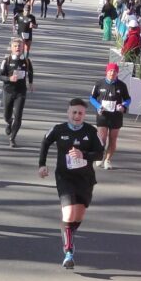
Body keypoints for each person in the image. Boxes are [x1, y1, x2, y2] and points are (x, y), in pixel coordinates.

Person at [38, 98, 104, 269]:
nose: (77, 116)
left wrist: (84, 155)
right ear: (68, 112)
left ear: (84, 115)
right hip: (64, 178)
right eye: (74, 112)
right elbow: (45, 142)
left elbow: (100, 154)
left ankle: (69, 234)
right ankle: (68, 251)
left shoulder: (91, 131)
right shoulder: (59, 129)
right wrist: (42, 165)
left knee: (78, 216)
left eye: (80, 113)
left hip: (85, 179)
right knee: (68, 213)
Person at [89, 62, 130, 170]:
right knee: (101, 138)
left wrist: (123, 106)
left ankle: (108, 160)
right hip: (103, 115)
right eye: (110, 71)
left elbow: (128, 99)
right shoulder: (99, 83)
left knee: (113, 139)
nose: (112, 73)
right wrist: (98, 106)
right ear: (106, 72)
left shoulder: (122, 85)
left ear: (117, 73)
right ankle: (99, 156)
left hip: (116, 116)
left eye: (115, 71)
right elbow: (92, 98)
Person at [0, 37, 33, 148]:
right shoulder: (6, 61)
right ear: (11, 48)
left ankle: (12, 138)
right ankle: (9, 122)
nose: (18, 48)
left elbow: (31, 72)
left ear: (23, 48)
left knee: (18, 116)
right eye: (15, 46)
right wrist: (9, 79)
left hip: (21, 92)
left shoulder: (26, 61)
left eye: (20, 46)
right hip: (8, 91)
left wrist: (31, 83)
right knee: (6, 115)